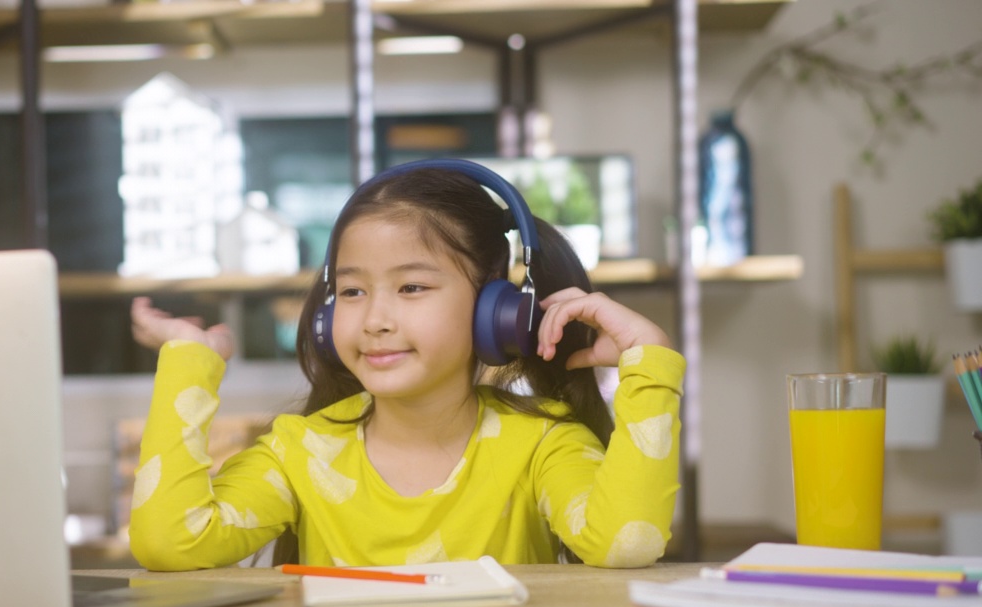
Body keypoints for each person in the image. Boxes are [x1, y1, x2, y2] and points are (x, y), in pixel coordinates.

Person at [128, 160, 685, 570]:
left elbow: (625, 542)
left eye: (412, 286)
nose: (374, 319)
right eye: (350, 292)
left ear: (498, 311)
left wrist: (649, 362)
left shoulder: (541, 446)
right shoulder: (299, 450)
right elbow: (170, 542)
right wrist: (190, 362)